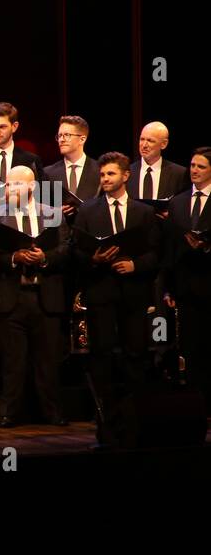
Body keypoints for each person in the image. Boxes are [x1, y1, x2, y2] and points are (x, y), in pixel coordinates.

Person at [74, 152, 161, 444]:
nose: (105, 179)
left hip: (133, 293)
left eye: (111, 174)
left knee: (135, 351)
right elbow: (76, 252)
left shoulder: (143, 212)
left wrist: (135, 265)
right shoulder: (87, 211)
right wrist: (95, 259)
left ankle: (135, 409)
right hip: (101, 292)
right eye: (102, 175)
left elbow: (155, 253)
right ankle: (104, 411)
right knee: (102, 352)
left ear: (126, 176)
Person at [0, 167, 70, 427]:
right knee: (13, 360)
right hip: (12, 297)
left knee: (47, 360)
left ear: (31, 187)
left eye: (16, 185)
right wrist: (14, 257)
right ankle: (8, 412)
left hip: (44, 296)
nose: (10, 190)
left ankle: (52, 411)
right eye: (7, 185)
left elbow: (66, 249)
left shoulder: (52, 215)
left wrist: (45, 258)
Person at [161, 147, 211, 407]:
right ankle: (195, 402)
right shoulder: (178, 201)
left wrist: (206, 246)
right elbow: (169, 246)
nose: (194, 170)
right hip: (186, 285)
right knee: (191, 347)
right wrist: (167, 288)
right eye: (192, 165)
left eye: (200, 166)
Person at [42, 115, 100, 214]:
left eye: (67, 135)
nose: (61, 140)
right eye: (59, 136)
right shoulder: (48, 173)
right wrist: (55, 213)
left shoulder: (100, 170)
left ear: (82, 139)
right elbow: (43, 209)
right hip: (60, 228)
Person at [129, 121, 191, 201]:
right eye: (142, 139)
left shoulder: (179, 173)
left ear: (164, 144)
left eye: (150, 141)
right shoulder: (128, 172)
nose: (144, 145)